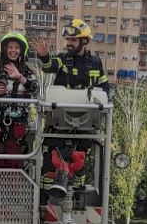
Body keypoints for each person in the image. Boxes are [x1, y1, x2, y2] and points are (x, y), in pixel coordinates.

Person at [33, 20, 109, 200]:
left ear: (84, 41)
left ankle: (77, 196)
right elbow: (49, 67)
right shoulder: (62, 59)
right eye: (68, 40)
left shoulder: (95, 63)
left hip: (86, 124)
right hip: (58, 123)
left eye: (73, 40)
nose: (69, 43)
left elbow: (105, 88)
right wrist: (44, 57)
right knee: (51, 162)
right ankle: (45, 198)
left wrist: (105, 101)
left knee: (80, 163)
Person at [0, 31, 39, 168]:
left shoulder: (27, 72)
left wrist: (20, 77)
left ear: (22, 50)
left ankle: (13, 187)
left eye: (16, 47)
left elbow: (35, 89)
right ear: (5, 49)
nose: (13, 50)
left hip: (16, 123)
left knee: (14, 162)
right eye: (10, 47)